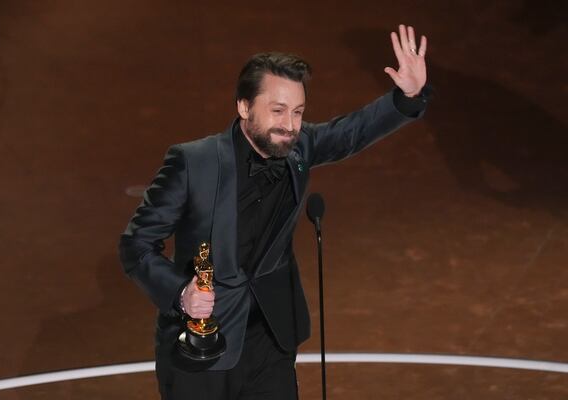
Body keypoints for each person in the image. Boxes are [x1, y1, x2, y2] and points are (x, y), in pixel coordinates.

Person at [119, 24, 429, 400]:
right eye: (278, 110)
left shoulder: (300, 148)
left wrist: (407, 96)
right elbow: (137, 244)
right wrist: (181, 293)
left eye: (298, 112)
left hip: (271, 337)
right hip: (202, 343)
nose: (290, 125)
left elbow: (352, 132)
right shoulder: (193, 162)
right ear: (244, 106)